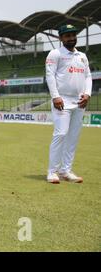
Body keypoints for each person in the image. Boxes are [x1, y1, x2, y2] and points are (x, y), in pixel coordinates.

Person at [45, 24, 92, 184]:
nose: (71, 38)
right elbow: (50, 75)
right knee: (61, 134)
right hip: (62, 101)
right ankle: (52, 172)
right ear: (61, 38)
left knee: (73, 137)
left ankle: (66, 171)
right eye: (67, 35)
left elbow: (88, 76)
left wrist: (87, 94)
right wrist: (55, 96)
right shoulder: (55, 53)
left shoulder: (82, 56)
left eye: (73, 35)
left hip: (79, 102)